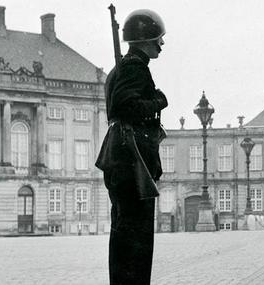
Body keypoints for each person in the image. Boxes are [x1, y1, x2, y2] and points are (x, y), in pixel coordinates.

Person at [95, 9, 168, 285]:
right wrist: (159, 102)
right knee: (136, 240)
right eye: (157, 39)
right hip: (132, 160)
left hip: (121, 159)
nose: (160, 44)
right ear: (144, 39)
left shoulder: (120, 69)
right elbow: (124, 106)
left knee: (125, 236)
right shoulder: (135, 68)